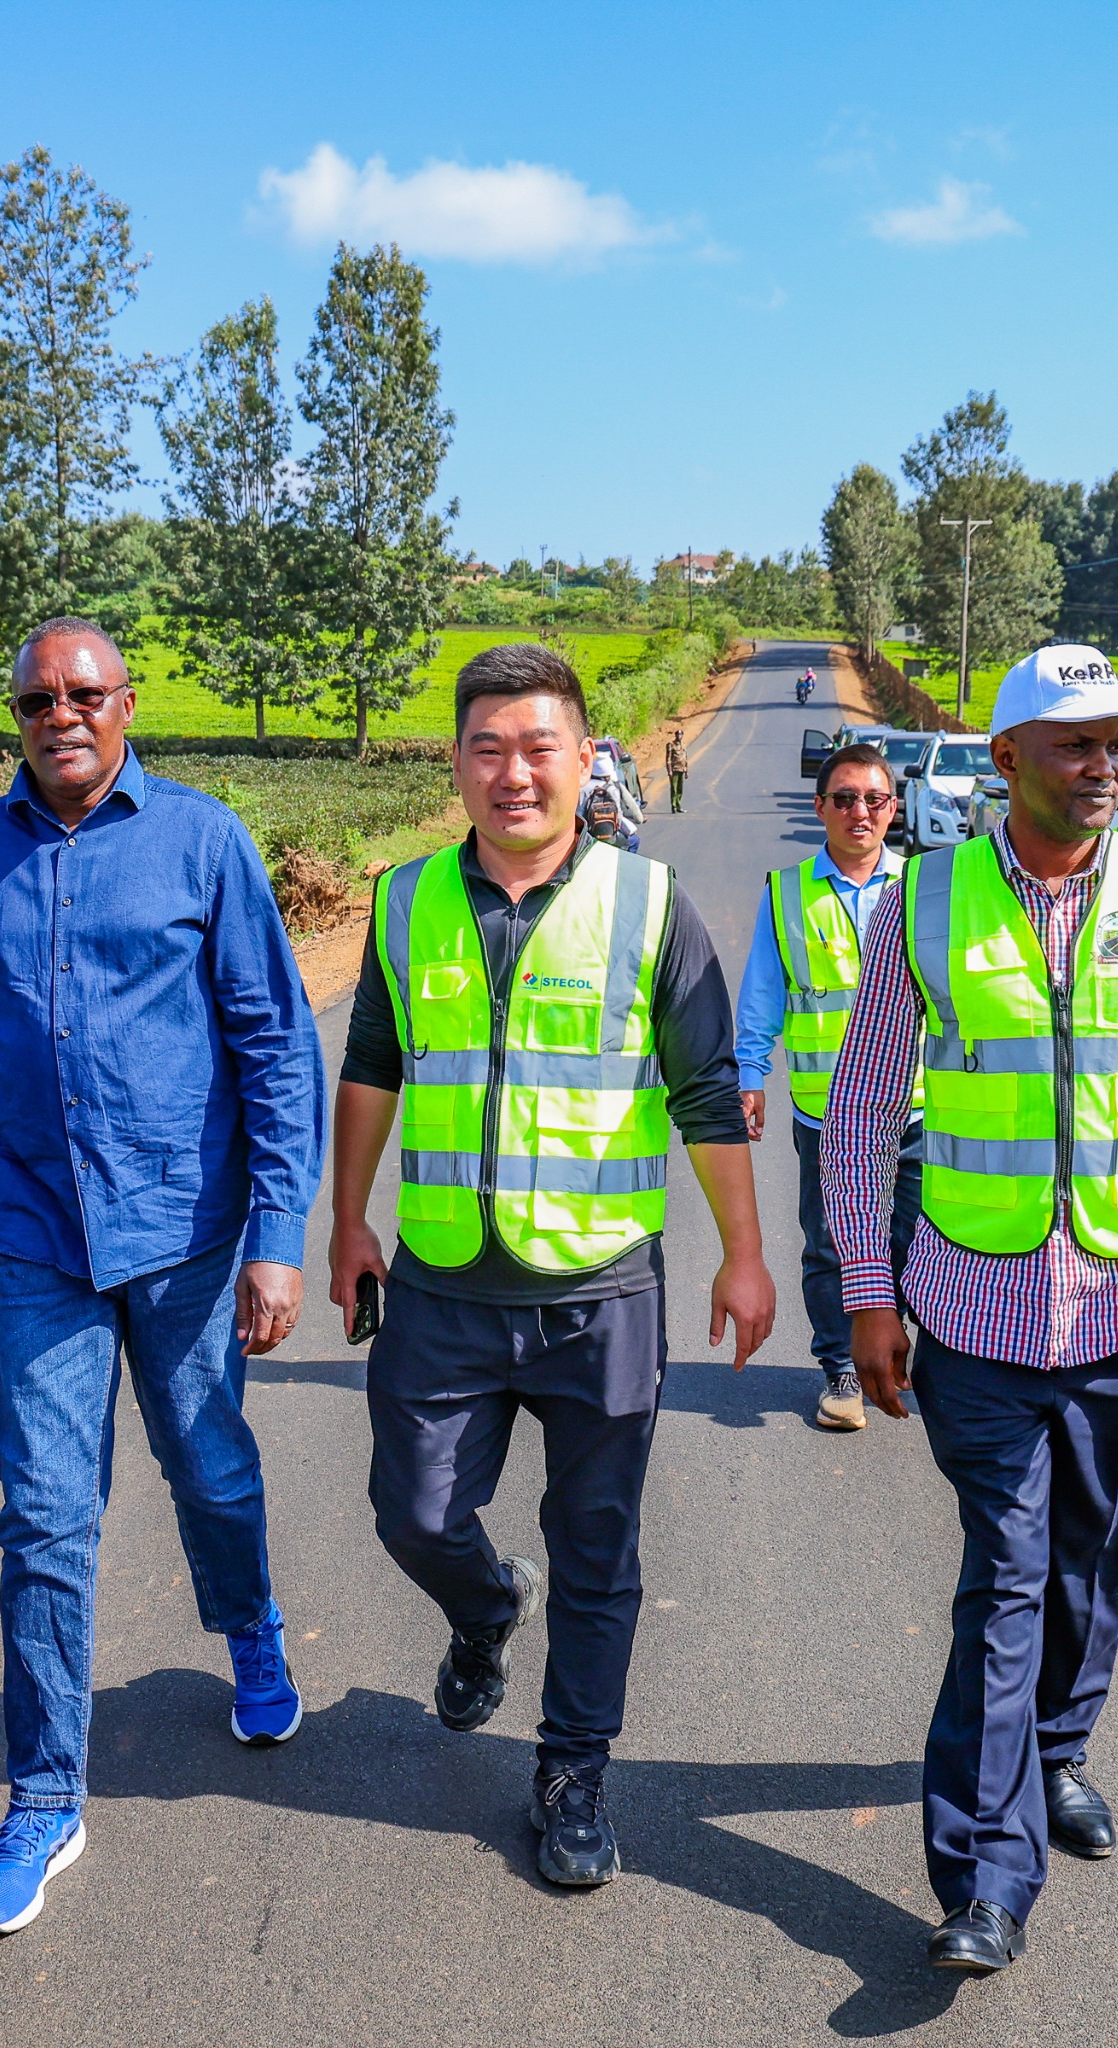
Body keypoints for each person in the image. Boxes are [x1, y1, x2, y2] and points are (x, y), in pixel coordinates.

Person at [824, 644, 1118, 1975]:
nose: (1108, 767)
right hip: (974, 1314)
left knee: (1099, 1563)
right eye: (1077, 745)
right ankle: (983, 1876)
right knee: (1009, 1582)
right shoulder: (922, 904)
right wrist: (867, 1292)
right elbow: (860, 1113)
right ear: (1008, 758)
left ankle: (1060, 1748)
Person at [0, 618, 327, 1939]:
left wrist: (280, 1233)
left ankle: (246, 1624)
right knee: (45, 1515)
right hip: (34, 1236)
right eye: (34, 700)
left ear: (127, 706)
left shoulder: (202, 842)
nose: (59, 713)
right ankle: (45, 1798)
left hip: (186, 1233)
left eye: (83, 692)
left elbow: (274, 1044)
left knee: (209, 1464)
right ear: (14, 719)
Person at [329, 641, 775, 1892]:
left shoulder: (647, 903)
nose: (514, 772)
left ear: (588, 761)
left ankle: (573, 1772)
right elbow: (373, 1063)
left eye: (540, 748)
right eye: (488, 747)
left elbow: (701, 1092)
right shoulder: (405, 900)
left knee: (598, 1552)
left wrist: (743, 1255)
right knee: (411, 1511)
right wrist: (346, 1221)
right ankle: (482, 1608)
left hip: (599, 1296)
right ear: (457, 763)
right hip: (441, 1284)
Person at [735, 742, 923, 1431]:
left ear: (893, 808)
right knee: (831, 1244)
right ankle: (839, 1368)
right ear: (820, 808)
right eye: (844, 798)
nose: (859, 812)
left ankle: (892, 1345)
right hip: (827, 1113)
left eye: (874, 799)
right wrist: (749, 1072)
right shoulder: (786, 892)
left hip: (918, 1105)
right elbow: (762, 990)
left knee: (917, 1238)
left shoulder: (927, 886)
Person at [665, 727, 689, 814]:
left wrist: (686, 771)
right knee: (674, 788)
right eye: (677, 734)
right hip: (674, 769)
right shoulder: (671, 745)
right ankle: (673, 806)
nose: (679, 736)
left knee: (680, 789)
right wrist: (669, 770)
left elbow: (685, 758)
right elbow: (668, 759)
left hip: (681, 769)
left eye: (681, 734)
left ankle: (679, 805)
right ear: (675, 735)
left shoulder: (684, 745)